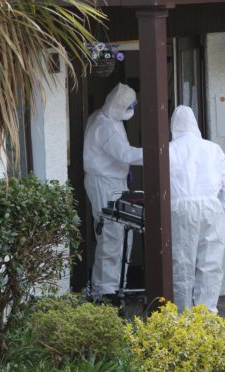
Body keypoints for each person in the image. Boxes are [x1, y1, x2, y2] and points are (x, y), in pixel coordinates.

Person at [169, 105, 225, 313]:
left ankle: (182, 315)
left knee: (182, 264)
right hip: (211, 207)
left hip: (180, 209)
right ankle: (206, 315)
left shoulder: (168, 149)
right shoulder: (213, 148)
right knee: (211, 263)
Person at [83, 82, 142, 297]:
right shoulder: (104, 125)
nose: (132, 110)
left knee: (118, 234)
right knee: (110, 234)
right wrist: (158, 153)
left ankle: (114, 286)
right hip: (105, 183)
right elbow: (125, 153)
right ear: (119, 106)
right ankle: (106, 291)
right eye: (129, 106)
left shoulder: (106, 118)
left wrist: (123, 170)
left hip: (112, 180)